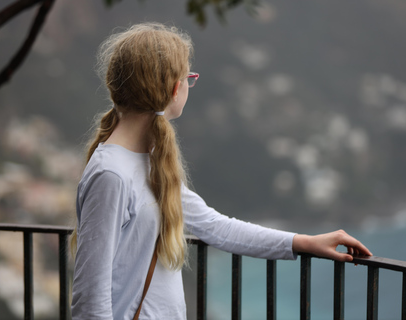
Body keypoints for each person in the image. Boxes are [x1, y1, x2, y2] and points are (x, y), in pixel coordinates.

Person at [70, 23, 372, 320]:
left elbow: (214, 226)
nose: (189, 84)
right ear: (175, 89)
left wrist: (303, 242)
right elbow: (89, 302)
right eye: (188, 77)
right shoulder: (111, 175)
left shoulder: (147, 163)